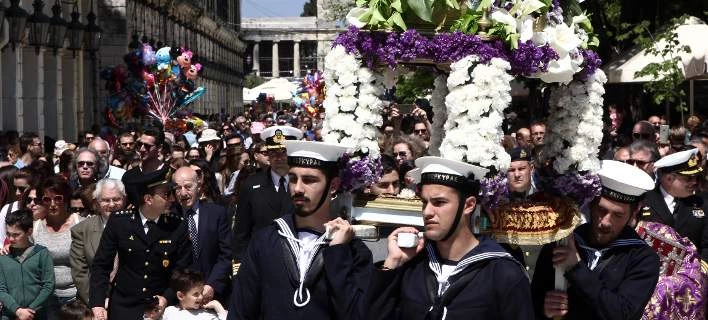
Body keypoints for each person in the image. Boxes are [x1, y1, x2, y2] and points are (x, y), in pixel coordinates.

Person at [366, 156, 533, 319]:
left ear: (468, 205)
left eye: (439, 203)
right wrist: (392, 263)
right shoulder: (412, 264)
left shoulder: (502, 272)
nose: (427, 212)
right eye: (425, 202)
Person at [229, 140, 372, 320]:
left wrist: (337, 254)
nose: (297, 188)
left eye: (309, 180)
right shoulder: (265, 240)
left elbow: (356, 314)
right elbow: (241, 310)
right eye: (293, 179)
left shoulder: (353, 251)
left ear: (333, 186)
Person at [531, 160, 660, 319]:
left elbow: (622, 314)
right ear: (591, 204)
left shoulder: (643, 259)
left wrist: (576, 268)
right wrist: (544, 308)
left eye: (618, 215)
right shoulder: (562, 242)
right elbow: (533, 299)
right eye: (602, 210)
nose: (606, 221)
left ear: (634, 213)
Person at [89, 169, 192, 319]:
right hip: (124, 305)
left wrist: (167, 297)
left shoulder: (177, 225)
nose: (172, 198)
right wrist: (97, 303)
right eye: (165, 195)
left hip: (159, 307)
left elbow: (181, 270)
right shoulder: (120, 222)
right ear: (148, 199)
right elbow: (101, 265)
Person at [232, 126, 303, 262]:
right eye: (273, 151)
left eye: (283, 151)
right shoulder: (251, 184)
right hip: (261, 259)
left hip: (296, 258)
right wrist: (241, 266)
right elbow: (241, 231)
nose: (278, 157)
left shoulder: (303, 184)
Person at [172, 167, 232, 303]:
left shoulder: (217, 214)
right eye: (178, 188)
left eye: (188, 187)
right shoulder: (168, 217)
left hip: (212, 294)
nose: (183, 193)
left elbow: (226, 254)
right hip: (179, 297)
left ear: (198, 186)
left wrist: (212, 285)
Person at [639, 148, 708, 262]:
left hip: (690, 274)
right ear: (669, 179)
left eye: (696, 177)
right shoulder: (643, 200)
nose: (694, 182)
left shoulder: (702, 204)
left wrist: (701, 272)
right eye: (689, 178)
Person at [69, 179, 127, 305]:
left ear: (124, 200)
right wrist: (98, 303)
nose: (111, 205)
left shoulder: (136, 226)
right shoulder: (81, 230)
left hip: (128, 301)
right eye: (106, 200)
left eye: (116, 199)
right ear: (96, 203)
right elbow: (80, 273)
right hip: (93, 301)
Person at [32, 176, 83, 318]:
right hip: (46, 298)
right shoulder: (35, 228)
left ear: (65, 199)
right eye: (47, 199)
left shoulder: (80, 224)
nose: (53, 204)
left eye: (58, 198)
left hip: (76, 298)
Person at [0, 209, 55, 320]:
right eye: (8, 234)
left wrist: (29, 311)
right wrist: (17, 310)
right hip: (10, 314)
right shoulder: (3, 256)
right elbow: (1, 289)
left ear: (29, 232)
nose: (11, 239)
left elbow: (48, 286)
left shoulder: (42, 254)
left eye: (16, 235)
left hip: (37, 313)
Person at [121, 127, 169, 207]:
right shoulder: (129, 176)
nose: (142, 149)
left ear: (159, 148)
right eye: (139, 144)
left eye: (147, 146)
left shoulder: (168, 173)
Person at [161, 269, 228, 320]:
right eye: (196, 294)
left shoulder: (207, 314)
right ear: (181, 296)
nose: (201, 297)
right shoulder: (169, 312)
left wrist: (217, 306)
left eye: (201, 292)